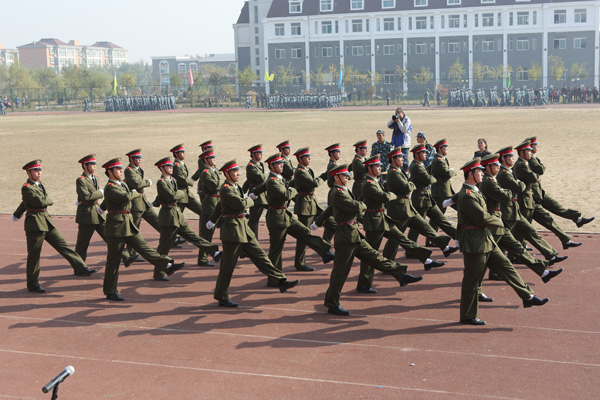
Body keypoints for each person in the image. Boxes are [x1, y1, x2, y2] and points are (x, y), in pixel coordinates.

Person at [456, 157, 549, 326]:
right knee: (472, 280)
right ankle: (468, 316)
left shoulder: (474, 191)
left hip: (486, 239)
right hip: (475, 243)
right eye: (479, 171)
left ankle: (528, 296)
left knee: (506, 266)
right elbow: (482, 217)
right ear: (470, 174)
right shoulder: (467, 195)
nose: (482, 173)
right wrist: (500, 221)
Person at [324, 163, 422, 316]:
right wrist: (362, 205)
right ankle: (332, 303)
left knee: (375, 257)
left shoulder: (343, 190)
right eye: (344, 176)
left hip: (353, 234)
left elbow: (356, 205)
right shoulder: (337, 193)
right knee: (340, 272)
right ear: (336, 177)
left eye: (347, 175)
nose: (347, 178)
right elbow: (356, 206)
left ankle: (400, 274)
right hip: (345, 237)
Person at [214, 159, 299, 308]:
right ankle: (222, 296)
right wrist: (251, 200)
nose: (238, 174)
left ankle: (280, 280)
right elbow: (241, 204)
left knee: (261, 256)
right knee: (228, 266)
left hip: (243, 229)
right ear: (227, 174)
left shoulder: (234, 186)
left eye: (238, 171)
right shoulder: (226, 188)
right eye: (235, 172)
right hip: (232, 231)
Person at [101, 158, 185, 301]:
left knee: (145, 248)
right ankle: (110, 290)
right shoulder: (110, 187)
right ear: (110, 172)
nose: (121, 171)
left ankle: (167, 265)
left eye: (121, 169)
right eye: (117, 169)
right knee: (113, 261)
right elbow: (126, 197)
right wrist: (136, 192)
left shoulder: (121, 184)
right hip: (116, 227)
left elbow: (123, 196)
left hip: (127, 224)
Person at [358, 155, 445, 293]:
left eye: (380, 166)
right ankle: (364, 284)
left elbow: (361, 199)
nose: (380, 168)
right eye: (377, 166)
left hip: (382, 218)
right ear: (369, 168)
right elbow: (385, 196)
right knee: (371, 255)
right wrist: (393, 195)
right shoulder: (368, 183)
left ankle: (426, 260)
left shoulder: (374, 181)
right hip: (374, 222)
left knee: (402, 239)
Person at [478, 153, 563, 290]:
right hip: (493, 224)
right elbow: (507, 195)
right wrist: (514, 188)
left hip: (500, 221)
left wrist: (512, 189)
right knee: (485, 260)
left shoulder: (492, 179)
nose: (498, 168)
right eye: (495, 165)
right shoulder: (488, 182)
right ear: (488, 167)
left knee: (517, 248)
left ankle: (543, 272)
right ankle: (477, 288)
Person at [13, 160, 97, 293]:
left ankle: (81, 267)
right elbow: (41, 201)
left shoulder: (39, 184)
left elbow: (27, 202)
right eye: (35, 170)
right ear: (29, 172)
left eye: (40, 170)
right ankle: (33, 284)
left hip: (46, 221)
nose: (39, 172)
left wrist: (17, 214)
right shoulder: (27, 187)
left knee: (64, 246)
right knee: (34, 255)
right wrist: (48, 200)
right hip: (35, 224)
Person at [264, 153, 334, 281]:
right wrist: (295, 186)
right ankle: (274, 279)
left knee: (305, 232)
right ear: (271, 166)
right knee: (276, 249)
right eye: (279, 164)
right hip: (276, 218)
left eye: (282, 163)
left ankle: (325, 251)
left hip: (285, 215)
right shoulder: (272, 181)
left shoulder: (279, 178)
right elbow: (285, 195)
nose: (282, 165)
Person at [495, 146, 568, 269]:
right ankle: (498, 270)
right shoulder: (503, 174)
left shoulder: (509, 171)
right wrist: (522, 183)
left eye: (513, 156)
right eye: (510, 157)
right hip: (507, 212)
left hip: (515, 209)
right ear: (503, 158)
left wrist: (521, 183)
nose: (513, 159)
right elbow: (520, 187)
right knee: (505, 242)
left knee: (530, 232)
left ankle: (551, 254)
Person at [382, 147, 458, 260]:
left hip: (417, 202)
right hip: (407, 206)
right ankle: (388, 260)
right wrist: (413, 183)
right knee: (399, 235)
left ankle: (446, 245)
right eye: (400, 157)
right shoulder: (396, 172)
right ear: (393, 159)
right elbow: (411, 185)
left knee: (429, 225)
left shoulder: (403, 169)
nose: (403, 159)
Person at [154, 157, 221, 280]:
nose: (171, 168)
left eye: (171, 166)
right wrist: (180, 193)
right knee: (164, 246)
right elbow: (171, 196)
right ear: (162, 168)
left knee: (194, 237)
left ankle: (215, 252)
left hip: (177, 215)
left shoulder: (172, 181)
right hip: (168, 218)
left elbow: (168, 196)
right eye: (168, 166)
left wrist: (176, 195)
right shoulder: (161, 182)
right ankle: (159, 272)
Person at [512, 140, 582, 250]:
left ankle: (565, 239)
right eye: (528, 150)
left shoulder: (525, 163)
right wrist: (535, 175)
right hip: (525, 201)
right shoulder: (520, 165)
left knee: (546, 219)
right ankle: (516, 252)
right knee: (524, 229)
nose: (531, 152)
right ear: (521, 153)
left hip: (531, 199)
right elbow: (536, 176)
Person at [74, 154, 135, 265]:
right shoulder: (81, 180)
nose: (94, 166)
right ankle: (80, 267)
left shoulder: (96, 178)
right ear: (85, 166)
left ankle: (126, 257)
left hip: (97, 213)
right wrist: (100, 193)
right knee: (83, 243)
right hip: (86, 215)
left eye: (94, 164)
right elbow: (86, 197)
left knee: (111, 237)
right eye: (91, 164)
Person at [526, 136, 594, 235]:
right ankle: (521, 243)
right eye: (535, 145)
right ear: (530, 148)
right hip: (530, 195)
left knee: (556, 207)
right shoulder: (528, 160)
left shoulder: (532, 158)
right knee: (527, 220)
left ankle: (577, 219)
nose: (537, 147)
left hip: (538, 192)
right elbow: (540, 170)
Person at [406, 144, 458, 252]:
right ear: (416, 154)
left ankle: (459, 238)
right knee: (417, 226)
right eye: (423, 152)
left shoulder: (419, 165)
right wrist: (435, 177)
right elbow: (429, 179)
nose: (426, 154)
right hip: (420, 199)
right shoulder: (415, 166)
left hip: (427, 197)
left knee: (441, 220)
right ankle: (410, 249)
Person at [292, 147, 336, 270]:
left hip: (313, 203)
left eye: (309, 156)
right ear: (300, 158)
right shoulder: (300, 171)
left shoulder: (307, 169)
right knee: (304, 235)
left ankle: (326, 251)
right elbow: (314, 183)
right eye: (306, 157)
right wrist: (327, 174)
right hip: (305, 207)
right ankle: (300, 263)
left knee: (332, 223)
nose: (309, 158)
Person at [197, 148, 222, 266]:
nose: (214, 160)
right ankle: (202, 259)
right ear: (206, 160)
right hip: (210, 205)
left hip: (217, 202)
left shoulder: (213, 171)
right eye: (212, 158)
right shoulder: (206, 173)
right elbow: (214, 185)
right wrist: (225, 183)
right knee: (207, 234)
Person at [171, 144, 203, 216]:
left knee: (202, 211)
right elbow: (182, 180)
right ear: (176, 154)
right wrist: (191, 181)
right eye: (182, 152)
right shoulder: (176, 165)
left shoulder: (181, 164)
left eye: (184, 152)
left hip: (187, 194)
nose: (184, 154)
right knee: (177, 217)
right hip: (181, 196)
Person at [244, 144, 269, 238]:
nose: (261, 155)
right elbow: (261, 178)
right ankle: (251, 240)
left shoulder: (260, 164)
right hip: (256, 195)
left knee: (275, 211)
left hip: (263, 194)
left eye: (261, 153)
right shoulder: (250, 166)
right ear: (253, 154)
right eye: (259, 153)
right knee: (254, 220)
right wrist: (268, 175)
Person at [387, 107, 412, 171]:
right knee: (397, 160)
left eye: (398, 113)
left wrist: (398, 121)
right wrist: (393, 119)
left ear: (403, 113)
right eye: (396, 113)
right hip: (397, 144)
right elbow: (388, 125)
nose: (397, 115)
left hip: (404, 144)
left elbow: (403, 129)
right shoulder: (397, 120)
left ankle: (406, 174)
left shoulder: (407, 120)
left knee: (404, 161)